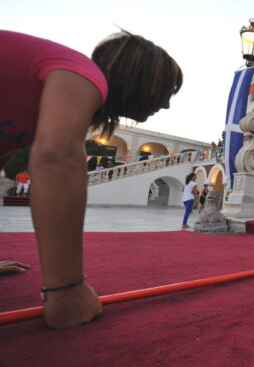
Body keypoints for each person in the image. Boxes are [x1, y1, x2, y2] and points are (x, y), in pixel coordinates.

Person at [0, 29, 183, 329]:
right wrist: (66, 291)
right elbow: (56, 159)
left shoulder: (44, 99)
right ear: (142, 81)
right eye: (166, 91)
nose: (165, 105)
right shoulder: (81, 74)